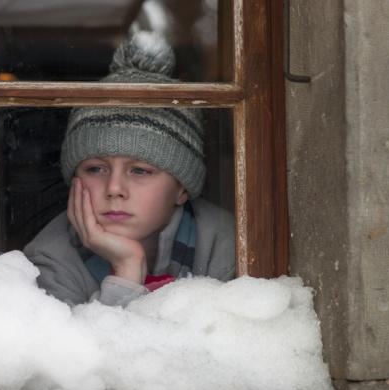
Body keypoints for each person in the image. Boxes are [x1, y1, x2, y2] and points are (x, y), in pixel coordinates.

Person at [23, 32, 235, 307]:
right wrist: (127, 269)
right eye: (96, 169)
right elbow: (90, 351)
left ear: (182, 188)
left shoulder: (227, 247)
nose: (114, 189)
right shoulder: (51, 261)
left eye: (140, 171)